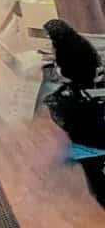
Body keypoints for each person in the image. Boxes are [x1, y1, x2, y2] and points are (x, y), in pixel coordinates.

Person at [43, 19, 105, 208]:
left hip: (83, 122)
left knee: (94, 173)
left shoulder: (65, 54)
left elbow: (67, 75)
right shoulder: (81, 45)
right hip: (91, 112)